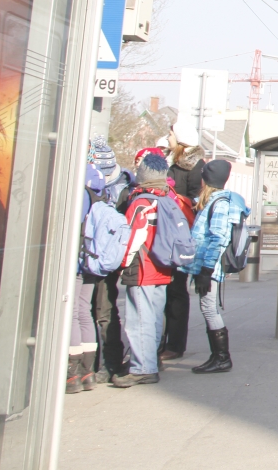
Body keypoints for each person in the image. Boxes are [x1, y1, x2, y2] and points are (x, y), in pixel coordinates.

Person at [112, 149, 176, 388]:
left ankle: (142, 367)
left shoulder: (140, 202)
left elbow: (131, 238)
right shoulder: (167, 199)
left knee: (139, 318)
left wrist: (121, 264)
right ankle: (152, 359)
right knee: (155, 316)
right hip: (163, 267)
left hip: (142, 267)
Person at [181, 158, 246, 374]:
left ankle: (221, 358)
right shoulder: (215, 201)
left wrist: (206, 271)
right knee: (208, 308)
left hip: (210, 267)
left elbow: (218, 237)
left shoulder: (220, 203)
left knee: (209, 308)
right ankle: (217, 357)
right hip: (207, 266)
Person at [88, 141, 133, 382]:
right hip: (94, 255)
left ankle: (111, 362)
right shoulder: (122, 185)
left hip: (106, 259)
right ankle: (96, 363)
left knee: (104, 310)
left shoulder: (123, 189)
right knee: (95, 311)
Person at [161, 130, 204, 363]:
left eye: (171, 133)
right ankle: (162, 341)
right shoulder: (172, 161)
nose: (168, 137)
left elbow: (197, 201)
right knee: (165, 291)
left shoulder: (194, 167)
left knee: (177, 290)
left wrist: (175, 201)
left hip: (181, 234)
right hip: (166, 232)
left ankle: (175, 344)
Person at [68, 157, 109, 393]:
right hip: (91, 260)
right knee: (84, 312)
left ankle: (72, 374)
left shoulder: (76, 184)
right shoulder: (99, 186)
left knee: (72, 313)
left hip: (75, 259)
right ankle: (88, 372)